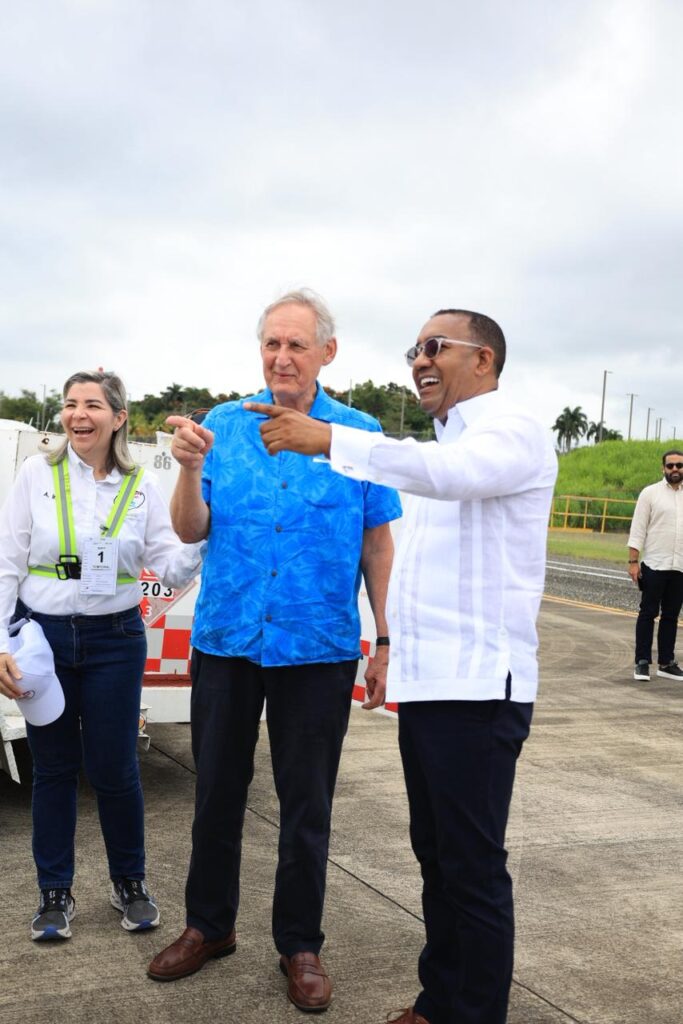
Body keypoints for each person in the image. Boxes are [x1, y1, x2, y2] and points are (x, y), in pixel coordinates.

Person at [247, 308, 558, 1024]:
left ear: (482, 360)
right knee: (436, 861)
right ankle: (439, 999)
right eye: (412, 349)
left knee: (471, 870)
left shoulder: (506, 430)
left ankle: (472, 1012)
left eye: (433, 347)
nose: (418, 360)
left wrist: (331, 439)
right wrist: (387, 650)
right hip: (432, 688)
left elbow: (453, 476)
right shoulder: (443, 443)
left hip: (479, 691)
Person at [148, 289, 401, 1011]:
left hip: (317, 647)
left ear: (327, 351)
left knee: (306, 804)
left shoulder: (358, 434)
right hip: (228, 638)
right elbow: (191, 530)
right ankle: (209, 926)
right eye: (271, 344)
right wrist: (190, 469)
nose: (281, 357)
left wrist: (382, 638)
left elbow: (376, 541)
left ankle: (299, 943)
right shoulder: (222, 425)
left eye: (296, 344)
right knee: (216, 792)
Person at [0, 370, 202, 941]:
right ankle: (54, 892)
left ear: (118, 416)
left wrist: (210, 539)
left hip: (115, 639)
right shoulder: (36, 474)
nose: (78, 415)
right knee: (55, 770)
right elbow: (7, 563)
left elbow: (171, 560)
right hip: (44, 641)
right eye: (70, 404)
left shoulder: (139, 486)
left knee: (115, 770)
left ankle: (129, 883)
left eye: (93, 405)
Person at [628, 450, 683, 681]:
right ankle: (642, 662)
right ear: (663, 468)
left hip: (679, 566)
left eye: (679, 465)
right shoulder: (650, 493)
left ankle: (666, 662)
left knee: (671, 615)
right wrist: (633, 561)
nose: (674, 470)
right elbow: (638, 529)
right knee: (648, 613)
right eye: (670, 466)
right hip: (654, 564)